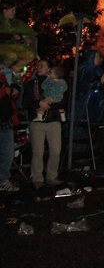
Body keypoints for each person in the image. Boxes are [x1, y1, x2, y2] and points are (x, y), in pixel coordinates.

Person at [22, 59, 67, 188]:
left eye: (42, 66)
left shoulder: (58, 83)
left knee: (55, 151)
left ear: (49, 69)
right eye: (38, 65)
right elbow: (26, 102)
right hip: (37, 123)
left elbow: (63, 100)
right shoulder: (33, 84)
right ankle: (37, 178)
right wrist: (38, 104)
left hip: (53, 121)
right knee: (38, 152)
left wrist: (49, 105)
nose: (39, 67)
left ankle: (52, 176)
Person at [0, 79, 21, 192]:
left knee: (7, 153)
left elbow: (12, 95)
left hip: (6, 121)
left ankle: (3, 181)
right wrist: (5, 91)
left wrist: (13, 91)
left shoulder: (3, 78)